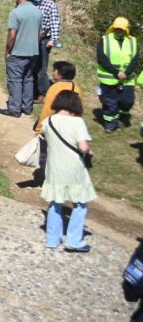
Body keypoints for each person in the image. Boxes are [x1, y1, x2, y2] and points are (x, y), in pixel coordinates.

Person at [41, 90, 95, 252]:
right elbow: (83, 147)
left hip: (54, 167)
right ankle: (73, 239)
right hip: (73, 168)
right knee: (80, 203)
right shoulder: (77, 122)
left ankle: (52, 239)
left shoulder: (48, 121)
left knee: (55, 202)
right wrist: (89, 152)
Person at [0, 0, 42, 118]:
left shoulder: (16, 12)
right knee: (28, 79)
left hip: (18, 52)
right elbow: (40, 33)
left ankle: (15, 109)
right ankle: (27, 107)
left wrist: (7, 50)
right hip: (34, 52)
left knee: (15, 80)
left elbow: (12, 35)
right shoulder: (37, 12)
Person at [96, 16, 139, 132]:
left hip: (127, 78)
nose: (118, 31)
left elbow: (135, 60)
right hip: (109, 78)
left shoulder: (132, 41)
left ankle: (121, 117)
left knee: (127, 101)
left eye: (121, 29)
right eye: (116, 28)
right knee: (110, 103)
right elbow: (101, 58)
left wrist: (126, 73)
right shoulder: (104, 40)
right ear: (113, 28)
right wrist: (116, 72)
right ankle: (110, 124)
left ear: (126, 30)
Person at [33, 0, 61, 100]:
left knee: (42, 68)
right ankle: (33, 91)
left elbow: (55, 23)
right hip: (33, 38)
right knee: (33, 66)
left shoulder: (50, 5)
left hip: (45, 40)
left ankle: (43, 93)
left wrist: (53, 40)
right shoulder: (32, 3)